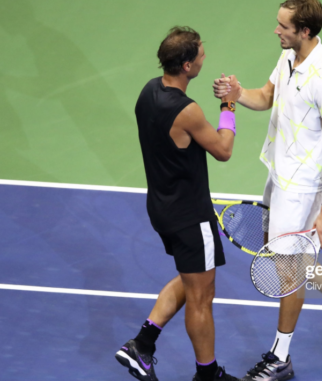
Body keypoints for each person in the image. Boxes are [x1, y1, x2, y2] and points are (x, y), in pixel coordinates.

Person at [212, 1, 322, 379]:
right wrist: (237, 93)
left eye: (283, 26)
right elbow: (267, 97)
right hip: (280, 172)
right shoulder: (288, 56)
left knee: (288, 270)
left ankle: (280, 358)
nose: (277, 31)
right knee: (294, 260)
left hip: (303, 186)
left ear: (304, 31)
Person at [116, 26, 242, 381]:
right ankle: (207, 375)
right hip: (190, 216)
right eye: (201, 53)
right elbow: (223, 149)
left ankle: (142, 344)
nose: (205, 56)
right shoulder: (187, 111)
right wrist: (228, 105)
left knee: (191, 282)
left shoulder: (148, 92)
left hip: (161, 208)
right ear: (187, 65)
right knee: (202, 296)